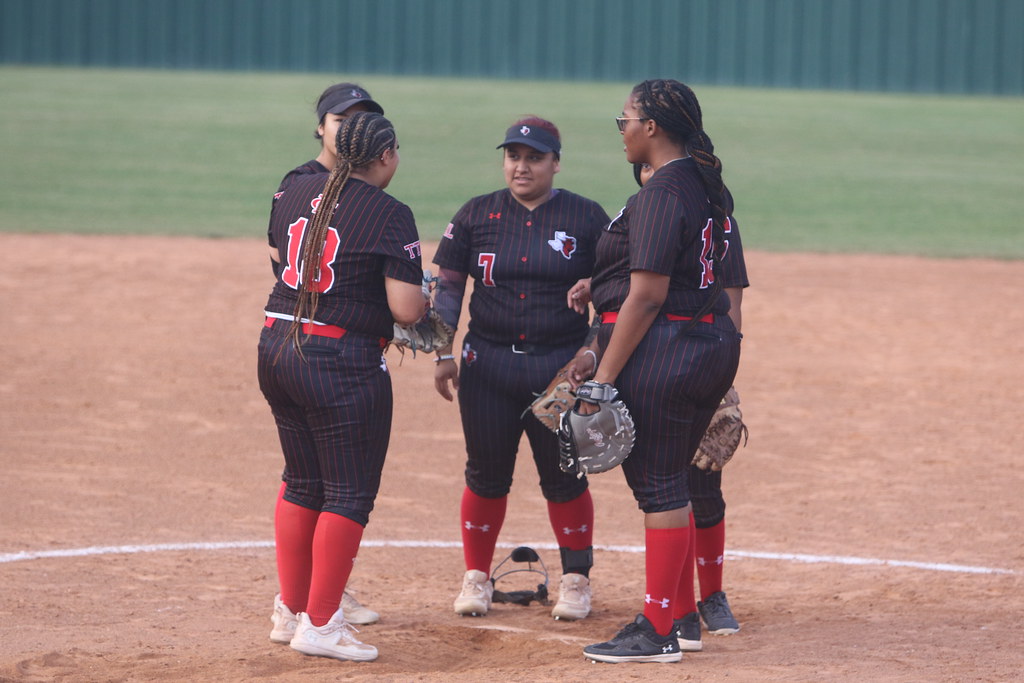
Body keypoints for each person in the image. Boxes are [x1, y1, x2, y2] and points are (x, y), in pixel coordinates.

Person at [564, 79, 746, 664]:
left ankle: (658, 628)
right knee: (673, 479)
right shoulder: (701, 185)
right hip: (707, 342)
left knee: (661, 485)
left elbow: (646, 295)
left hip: (670, 345)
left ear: (653, 128)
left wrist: (601, 379)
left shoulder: (666, 189)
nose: (621, 131)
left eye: (625, 120)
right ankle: (683, 618)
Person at [258, 111, 426, 662]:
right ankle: (323, 623)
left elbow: (285, 261)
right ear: (384, 157)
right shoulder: (390, 212)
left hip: (279, 344)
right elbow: (405, 308)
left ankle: (291, 610)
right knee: (348, 494)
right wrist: (424, 303)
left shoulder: (294, 185)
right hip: (340, 360)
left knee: (302, 481)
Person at [430, 116, 611, 621]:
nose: (521, 166)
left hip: (560, 371)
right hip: (486, 364)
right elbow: (448, 287)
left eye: (534, 157)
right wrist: (443, 352)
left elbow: (618, 289)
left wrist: (594, 351)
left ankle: (576, 579)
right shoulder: (476, 214)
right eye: (513, 156)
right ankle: (476, 577)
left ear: (556, 162)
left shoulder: (587, 217)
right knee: (486, 475)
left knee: (565, 478)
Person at [269, 81, 386, 626]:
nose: (350, 126)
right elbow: (282, 263)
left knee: (312, 482)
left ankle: (316, 596)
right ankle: (320, 606)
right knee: (333, 484)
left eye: (362, 118)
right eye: (341, 118)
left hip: (294, 347)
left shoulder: (334, 190)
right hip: (328, 350)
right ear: (321, 126)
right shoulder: (303, 183)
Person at [631, 161, 747, 652]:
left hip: (698, 362)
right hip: (658, 366)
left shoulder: (718, 222)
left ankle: (712, 594)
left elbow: (731, 302)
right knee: (666, 487)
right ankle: (680, 615)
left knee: (703, 486)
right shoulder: (645, 217)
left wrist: (726, 386)